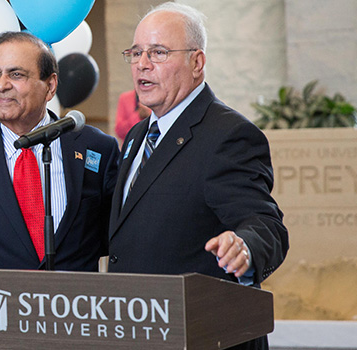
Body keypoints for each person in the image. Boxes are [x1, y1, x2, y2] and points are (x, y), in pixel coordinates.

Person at [107, 3, 288, 350]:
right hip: (142, 330)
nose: (142, 64)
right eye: (135, 53)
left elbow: (266, 224)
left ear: (197, 62)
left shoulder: (228, 135)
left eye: (158, 52)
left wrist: (245, 247)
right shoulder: (136, 136)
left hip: (204, 334)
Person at [0, 31, 119, 349]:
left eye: (16, 74)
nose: (1, 85)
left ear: (51, 85)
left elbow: (117, 245)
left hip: (78, 333)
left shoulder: (95, 148)